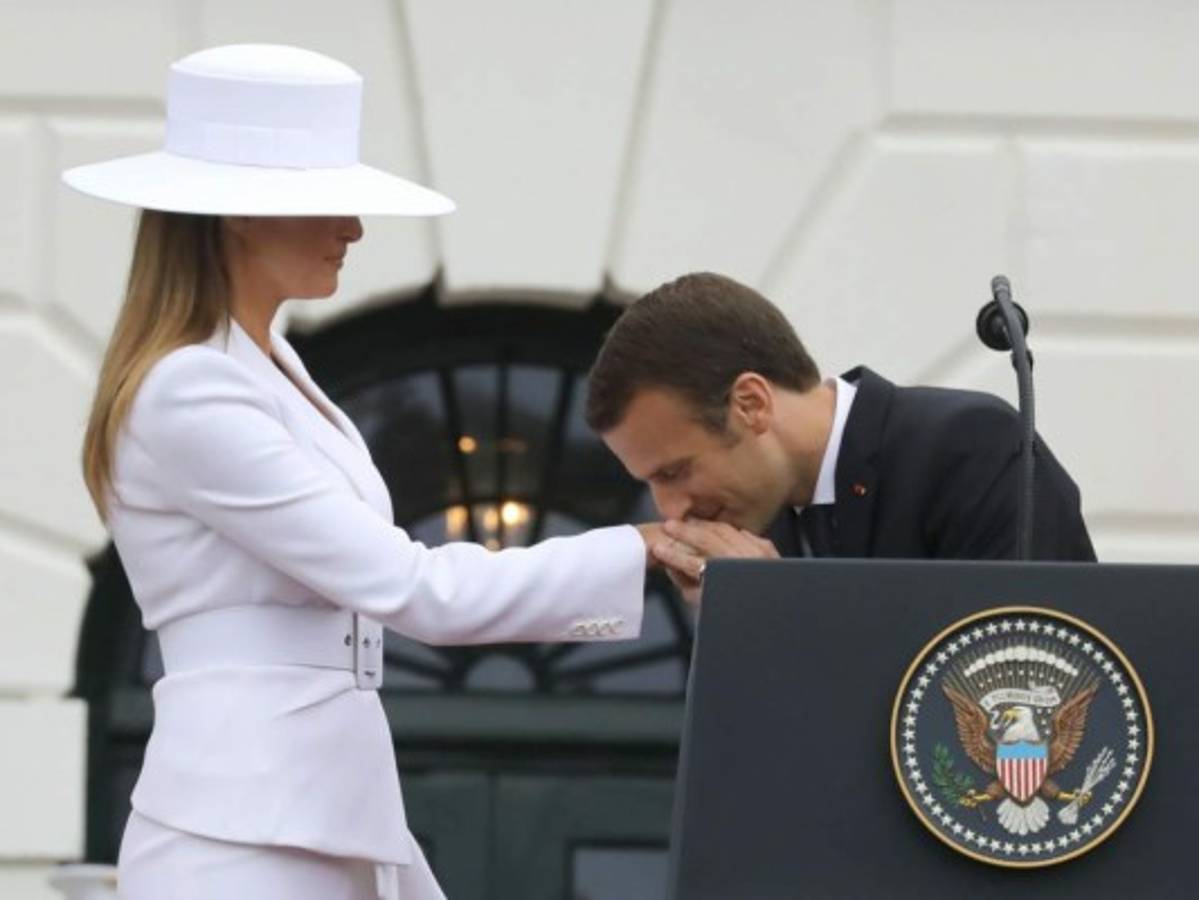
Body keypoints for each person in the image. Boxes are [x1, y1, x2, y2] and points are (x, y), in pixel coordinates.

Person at [65, 44, 680, 900]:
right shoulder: (190, 389)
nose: (353, 229)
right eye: (329, 201)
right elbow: (411, 587)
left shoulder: (268, 365)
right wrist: (640, 549)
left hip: (316, 805)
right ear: (240, 213)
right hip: (240, 823)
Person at [585, 272, 1096, 600]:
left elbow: (1016, 681)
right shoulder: (757, 524)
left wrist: (774, 606)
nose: (671, 510)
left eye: (675, 471)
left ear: (751, 404)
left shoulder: (968, 448)